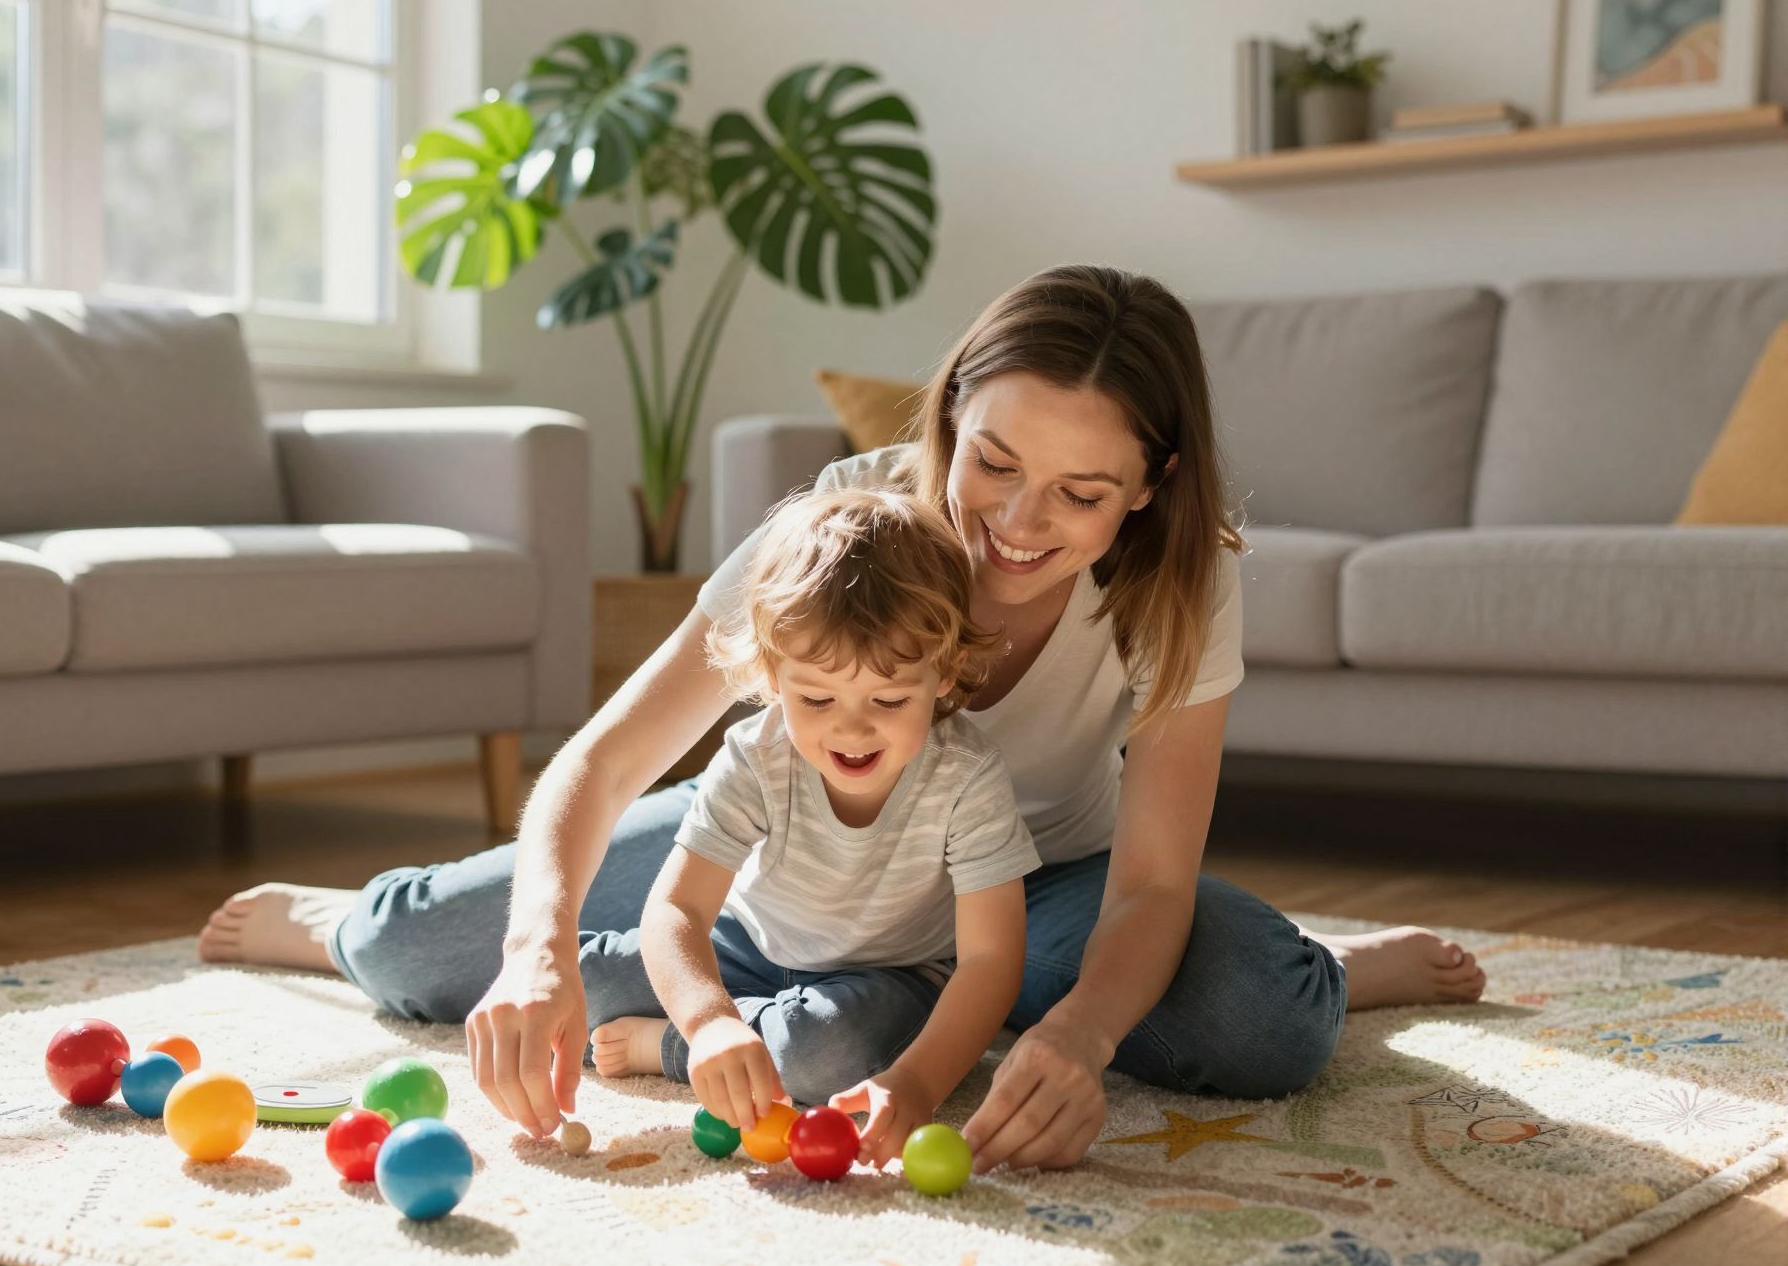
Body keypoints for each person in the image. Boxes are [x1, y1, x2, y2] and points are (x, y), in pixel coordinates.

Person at [201, 263, 1487, 1173]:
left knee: (1254, 1017)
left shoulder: (1183, 579)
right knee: (444, 958)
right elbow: (604, 762)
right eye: (990, 461)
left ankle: (1340, 969)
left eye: (1078, 493)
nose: (1016, 525)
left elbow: (1151, 883)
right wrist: (537, 947)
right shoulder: (842, 530)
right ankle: (339, 925)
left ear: (1147, 489)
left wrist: (1082, 1036)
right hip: (790, 855)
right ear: (946, 414)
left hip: (1032, 892)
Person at [579, 487, 1038, 1166]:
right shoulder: (755, 755)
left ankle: (669, 1046)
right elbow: (677, 908)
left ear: (945, 674)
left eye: (888, 698)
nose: (851, 726)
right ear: (771, 675)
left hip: (892, 975)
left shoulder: (966, 777)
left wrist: (914, 1085)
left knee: (828, 1055)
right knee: (584, 981)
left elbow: (992, 962)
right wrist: (709, 1022)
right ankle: (731, 1033)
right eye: (816, 697)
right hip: (753, 946)